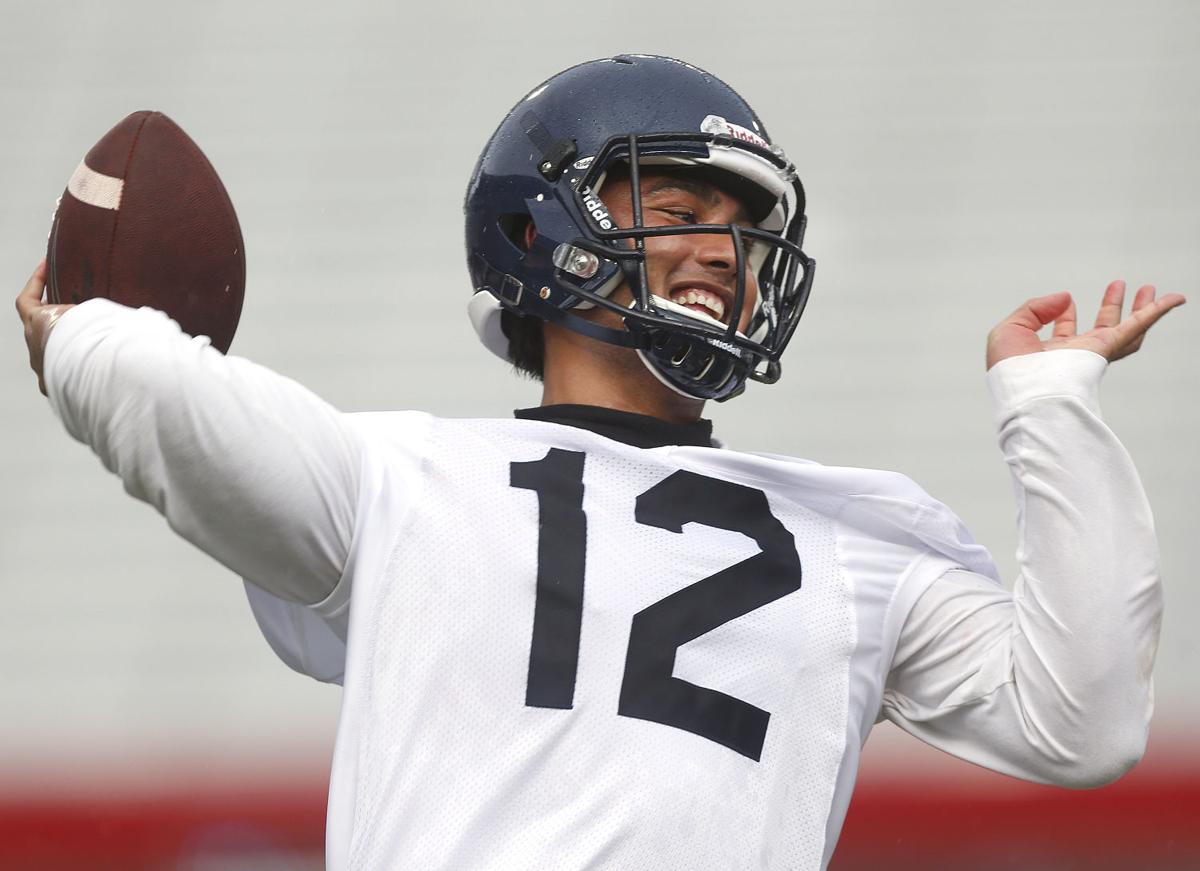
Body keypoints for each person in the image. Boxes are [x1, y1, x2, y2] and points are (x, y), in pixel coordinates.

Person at [16, 55, 1185, 871]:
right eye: (677, 207)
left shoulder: (861, 536)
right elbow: (163, 392)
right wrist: (83, 333)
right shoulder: (402, 479)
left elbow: (1082, 719)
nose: (724, 254)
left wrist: (1049, 404)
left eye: (745, 230)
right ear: (542, 235)